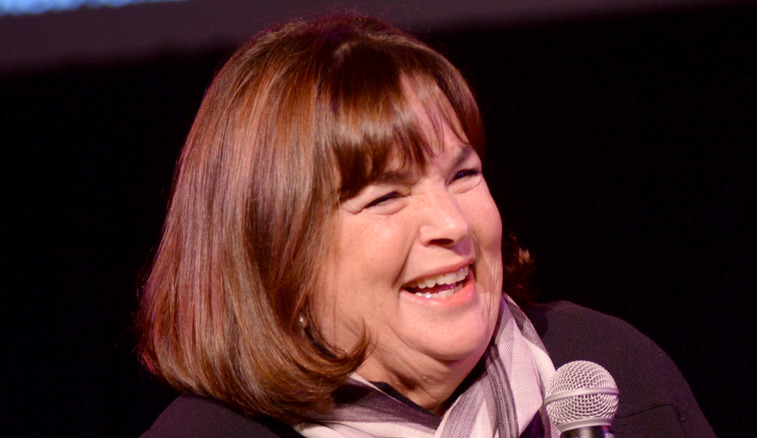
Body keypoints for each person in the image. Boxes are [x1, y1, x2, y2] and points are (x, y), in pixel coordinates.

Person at [137, 14, 714, 438]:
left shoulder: (613, 375)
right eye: (387, 195)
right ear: (276, 252)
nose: (452, 222)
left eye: (463, 175)